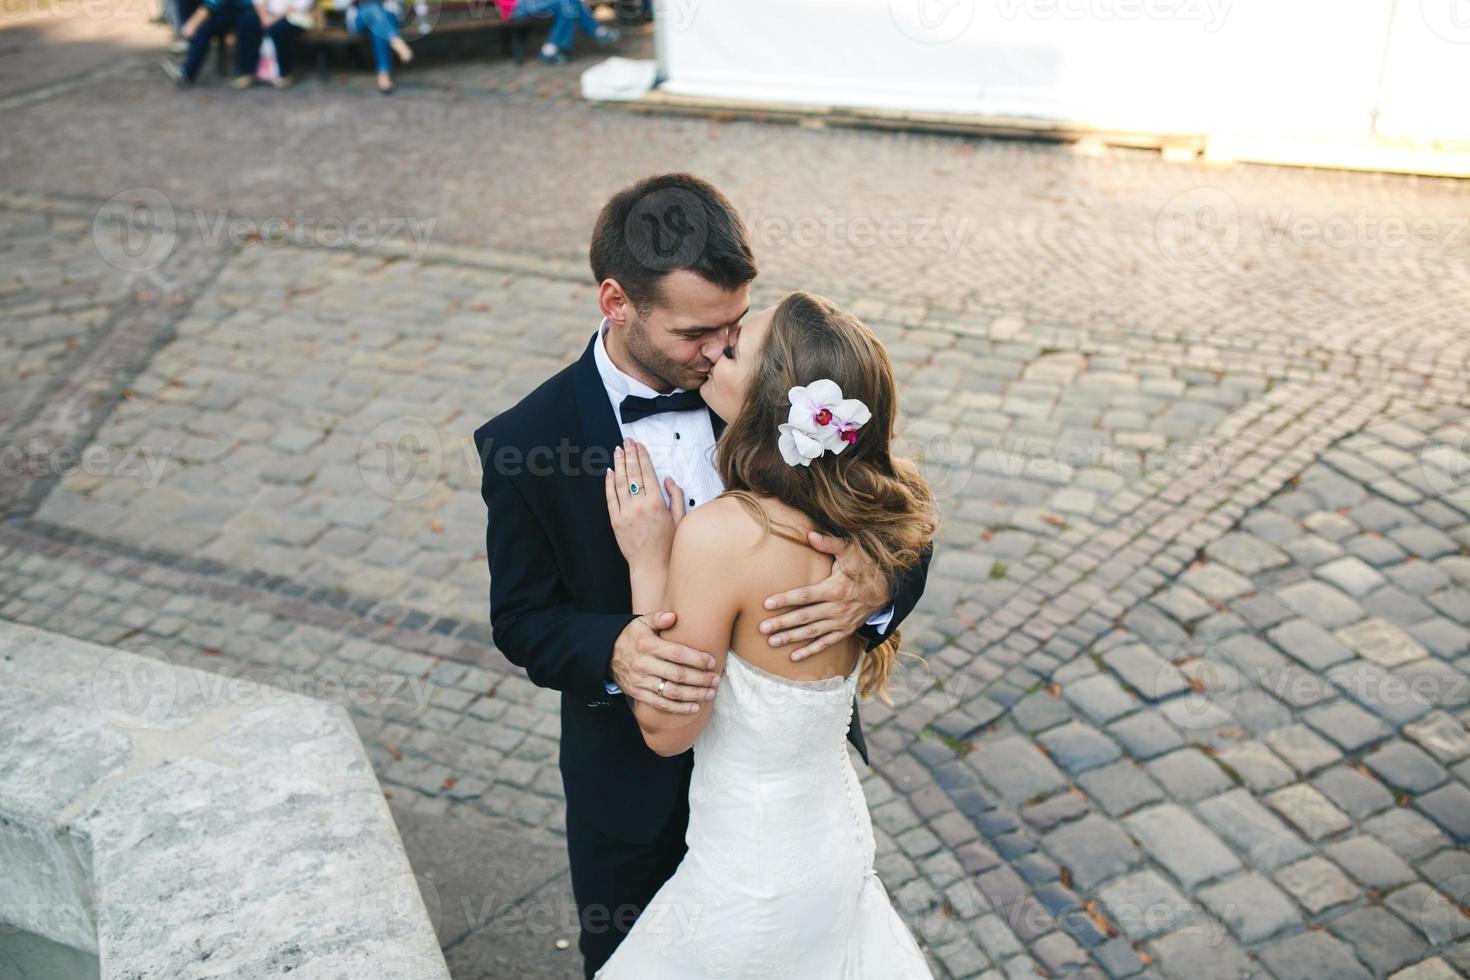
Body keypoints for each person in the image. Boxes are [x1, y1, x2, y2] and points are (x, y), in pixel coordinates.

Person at [473, 173, 933, 978]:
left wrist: (879, 581)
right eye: (696, 333)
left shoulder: (774, 395)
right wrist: (616, 647)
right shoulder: (527, 441)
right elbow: (521, 618)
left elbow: (888, 501)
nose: (721, 352)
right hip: (632, 789)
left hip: (773, 800)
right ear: (616, 302)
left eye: (734, 327)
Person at [593, 291, 938, 977]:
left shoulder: (724, 536)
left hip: (751, 875)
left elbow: (667, 728)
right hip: (832, 847)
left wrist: (648, 562)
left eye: (733, 350)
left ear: (771, 399)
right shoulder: (867, 514)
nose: (713, 353)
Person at [160, 0, 255, 88]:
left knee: (206, 28)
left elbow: (212, 3)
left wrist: (193, 23)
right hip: (230, 7)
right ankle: (187, 69)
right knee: (205, 27)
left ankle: (188, 69)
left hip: (244, 8)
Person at [495, 0, 620, 64]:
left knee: (569, 4)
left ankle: (551, 49)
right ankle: (597, 32)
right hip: (515, 7)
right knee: (568, 3)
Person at [236, 0, 313, 88]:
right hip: (267, 15)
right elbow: (259, 3)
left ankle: (285, 73)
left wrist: (273, 19)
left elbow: (300, 6)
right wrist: (264, 17)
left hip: (294, 17)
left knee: (279, 29)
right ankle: (247, 72)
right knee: (246, 24)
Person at [345, 0, 414, 94]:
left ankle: (384, 74)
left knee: (378, 25)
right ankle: (394, 41)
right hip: (360, 17)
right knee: (374, 10)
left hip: (388, 14)